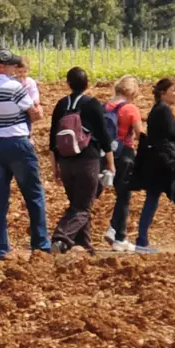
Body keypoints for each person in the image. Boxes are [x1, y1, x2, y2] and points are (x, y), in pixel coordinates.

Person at [0, 47, 48, 257]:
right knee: (33, 194)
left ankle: (1, 248)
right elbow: (35, 114)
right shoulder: (14, 87)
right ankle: (41, 244)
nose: (14, 68)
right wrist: (38, 110)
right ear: (1, 66)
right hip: (18, 142)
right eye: (10, 65)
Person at [49, 66, 113, 253]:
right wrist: (110, 162)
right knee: (83, 207)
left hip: (66, 161)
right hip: (88, 160)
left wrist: (55, 167)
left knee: (78, 204)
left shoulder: (61, 104)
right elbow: (104, 136)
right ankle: (61, 237)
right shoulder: (92, 104)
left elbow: (52, 139)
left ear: (68, 84)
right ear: (87, 84)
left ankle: (84, 245)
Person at [134, 77, 175, 253]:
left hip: (157, 161)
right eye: (174, 90)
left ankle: (142, 240)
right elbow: (172, 134)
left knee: (153, 199)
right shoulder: (163, 110)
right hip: (167, 162)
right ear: (163, 93)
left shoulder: (158, 109)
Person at [105, 75, 145, 252]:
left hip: (105, 154)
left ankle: (111, 231)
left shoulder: (104, 106)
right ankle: (118, 235)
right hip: (125, 154)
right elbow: (139, 135)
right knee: (124, 196)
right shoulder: (130, 109)